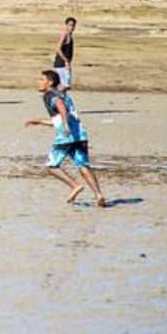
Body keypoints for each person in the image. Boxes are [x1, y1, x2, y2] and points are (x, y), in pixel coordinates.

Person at [25, 70, 106, 207]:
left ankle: (75, 186)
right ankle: (98, 194)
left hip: (66, 135)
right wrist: (39, 121)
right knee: (83, 165)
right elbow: (61, 117)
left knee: (51, 166)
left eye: (42, 79)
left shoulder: (50, 94)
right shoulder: (62, 95)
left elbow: (60, 107)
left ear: (50, 82)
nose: (38, 82)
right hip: (80, 134)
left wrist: (66, 124)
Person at [53, 17, 77, 92]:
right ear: (66, 25)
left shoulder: (70, 36)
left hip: (63, 65)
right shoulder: (64, 35)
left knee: (64, 86)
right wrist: (65, 60)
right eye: (70, 25)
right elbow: (58, 48)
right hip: (61, 65)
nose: (72, 27)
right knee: (64, 86)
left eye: (73, 25)